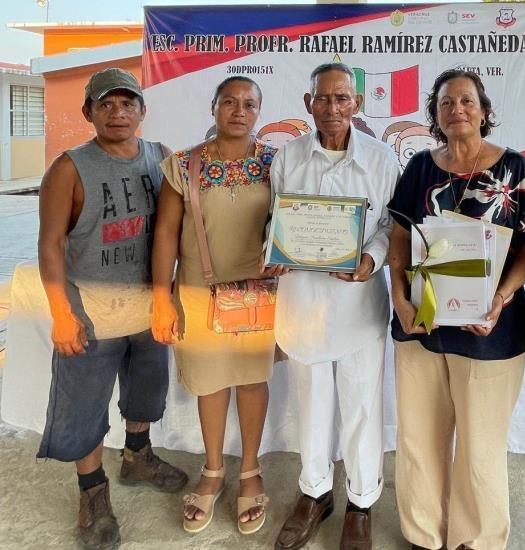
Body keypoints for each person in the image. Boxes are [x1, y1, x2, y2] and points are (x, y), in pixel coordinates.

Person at [387, 69, 525, 550]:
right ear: (435, 114)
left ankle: (475, 540)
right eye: (445, 102)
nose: (456, 108)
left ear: (483, 110)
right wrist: (398, 298)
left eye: (466, 100)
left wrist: (500, 298)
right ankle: (423, 535)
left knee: (480, 448)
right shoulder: (420, 166)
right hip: (421, 325)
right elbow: (400, 235)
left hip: (491, 330)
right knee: (419, 440)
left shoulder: (516, 169)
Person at [36, 67, 188, 550]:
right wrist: (61, 311)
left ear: (142, 111)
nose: (118, 113)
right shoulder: (69, 168)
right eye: (106, 104)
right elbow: (50, 243)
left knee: (146, 393)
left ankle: (137, 456)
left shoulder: (161, 158)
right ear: (88, 113)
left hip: (148, 309)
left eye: (127, 104)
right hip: (92, 313)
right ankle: (93, 491)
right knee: (83, 409)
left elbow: (176, 229)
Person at [267, 62, 400, 550]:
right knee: (312, 405)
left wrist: (371, 258)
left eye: (342, 99)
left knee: (364, 407)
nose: (332, 108)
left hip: (358, 304)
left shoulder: (384, 160)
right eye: (323, 99)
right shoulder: (288, 157)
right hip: (302, 304)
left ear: (357, 105)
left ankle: (361, 502)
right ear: (308, 104)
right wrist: (274, 251)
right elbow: (275, 219)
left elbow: (390, 227)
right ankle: (314, 493)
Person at [151, 76, 277, 535]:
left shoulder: (274, 164)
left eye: (249, 104)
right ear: (214, 108)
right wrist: (161, 297)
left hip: (257, 296)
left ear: (259, 112)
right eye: (229, 102)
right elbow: (165, 232)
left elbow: (291, 223)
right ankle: (212, 469)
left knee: (250, 380)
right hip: (196, 292)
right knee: (209, 384)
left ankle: (249, 470)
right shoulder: (181, 165)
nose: (238, 111)